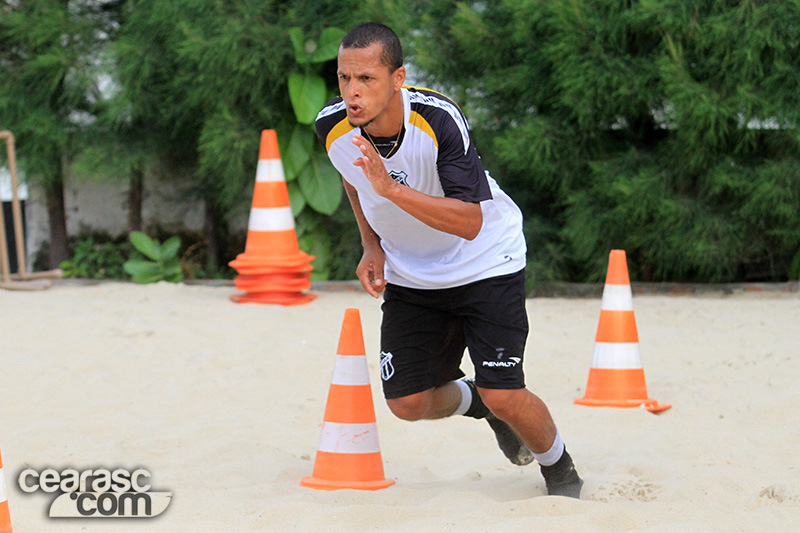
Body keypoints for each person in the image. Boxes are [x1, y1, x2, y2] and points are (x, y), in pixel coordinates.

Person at [315, 22, 583, 498]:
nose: (352, 93)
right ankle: (479, 402)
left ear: (397, 78)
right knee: (408, 402)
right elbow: (352, 180)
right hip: (412, 273)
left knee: (508, 394)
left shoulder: (438, 119)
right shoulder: (331, 126)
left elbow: (470, 223)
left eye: (366, 80)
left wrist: (392, 189)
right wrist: (371, 244)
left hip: (485, 261)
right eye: (344, 79)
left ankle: (560, 470)